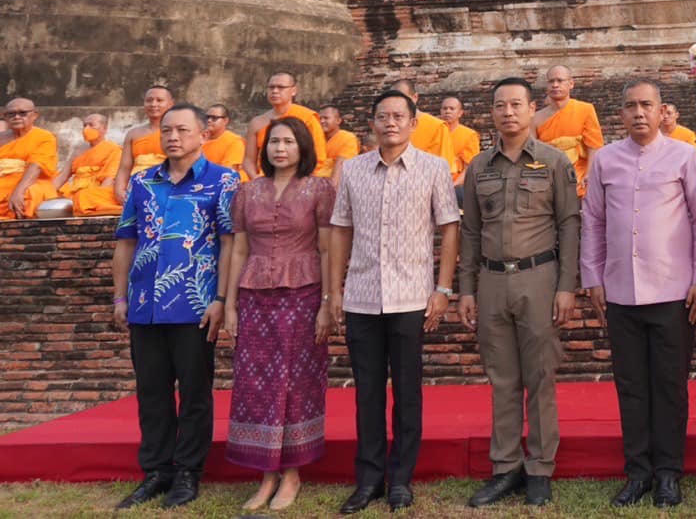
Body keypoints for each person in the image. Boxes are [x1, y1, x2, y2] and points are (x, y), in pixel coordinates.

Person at [581, 80, 696, 508]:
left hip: (673, 289)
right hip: (620, 291)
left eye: (646, 105)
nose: (638, 113)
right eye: (630, 107)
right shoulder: (604, 159)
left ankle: (668, 474)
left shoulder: (683, 154)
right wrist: (592, 277)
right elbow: (594, 222)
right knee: (632, 386)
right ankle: (638, 472)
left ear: (662, 112)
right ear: (619, 115)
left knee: (670, 385)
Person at [329, 89, 461, 514]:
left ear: (413, 122)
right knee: (366, 393)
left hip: (411, 298)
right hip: (362, 297)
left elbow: (450, 229)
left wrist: (442, 289)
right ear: (371, 123)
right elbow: (340, 231)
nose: (390, 122)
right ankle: (368, 479)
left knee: (407, 393)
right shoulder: (353, 170)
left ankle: (401, 479)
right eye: (382, 116)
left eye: (398, 116)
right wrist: (335, 290)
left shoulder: (433, 168)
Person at [458, 78, 581, 509]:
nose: (507, 112)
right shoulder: (478, 167)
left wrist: (567, 287)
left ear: (532, 110)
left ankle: (540, 469)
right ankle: (505, 467)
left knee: (540, 377)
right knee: (503, 379)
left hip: (539, 278)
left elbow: (569, 224)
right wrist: (465, 290)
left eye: (516, 105)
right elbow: (470, 231)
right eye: (499, 106)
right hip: (491, 282)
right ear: (491, 113)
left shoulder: (553, 162)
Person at [110, 103, 238, 510]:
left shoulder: (223, 181)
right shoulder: (144, 181)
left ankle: (187, 473)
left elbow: (232, 244)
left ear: (204, 134)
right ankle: (156, 472)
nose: (172, 137)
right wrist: (119, 297)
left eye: (182, 130)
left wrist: (221, 299)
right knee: (151, 392)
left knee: (195, 393)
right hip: (145, 304)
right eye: (166, 130)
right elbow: (126, 240)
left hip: (195, 304)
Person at [223, 116, 335, 511]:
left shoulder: (320, 189)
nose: (280, 149)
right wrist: (231, 305)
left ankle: (291, 474)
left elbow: (326, 249)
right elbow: (238, 250)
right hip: (255, 297)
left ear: (303, 147)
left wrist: (327, 304)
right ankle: (266, 473)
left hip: (303, 295)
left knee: (296, 383)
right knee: (256, 384)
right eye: (273, 142)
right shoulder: (247, 193)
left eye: (288, 142)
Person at [534, 66, 604, 198]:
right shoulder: (536, 118)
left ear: (571, 84)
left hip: (580, 178)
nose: (555, 85)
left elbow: (594, 146)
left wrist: (589, 174)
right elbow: (533, 152)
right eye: (551, 81)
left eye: (560, 81)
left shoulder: (585, 110)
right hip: (548, 179)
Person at [244, 73, 329, 178]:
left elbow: (318, 157)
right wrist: (257, 181)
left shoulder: (307, 118)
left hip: (299, 181)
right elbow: (248, 161)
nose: (275, 91)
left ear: (293, 91)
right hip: (265, 180)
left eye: (281, 87)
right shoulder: (256, 122)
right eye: (271, 87)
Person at [111, 85, 173, 204]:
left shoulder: (176, 132)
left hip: (166, 185)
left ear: (171, 104)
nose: (153, 104)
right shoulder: (133, 134)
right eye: (149, 100)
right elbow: (124, 169)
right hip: (136, 186)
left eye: (159, 100)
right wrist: (119, 192)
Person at [0, 97, 59, 219]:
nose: (16, 117)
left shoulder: (44, 137)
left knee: (30, 194)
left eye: (22, 113)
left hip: (30, 182)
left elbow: (36, 166)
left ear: (34, 115)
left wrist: (18, 191)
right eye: (11, 114)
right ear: (5, 117)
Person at [59, 114, 122, 216]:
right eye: (84, 125)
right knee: (51, 193)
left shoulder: (114, 149)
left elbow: (109, 180)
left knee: (83, 196)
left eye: (91, 125)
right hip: (76, 191)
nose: (86, 129)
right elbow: (62, 176)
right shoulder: (78, 151)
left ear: (104, 128)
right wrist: (50, 191)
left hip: (97, 192)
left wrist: (94, 196)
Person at [389, 80, 457, 174]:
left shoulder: (437, 127)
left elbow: (445, 168)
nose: (398, 103)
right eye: (393, 99)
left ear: (415, 97)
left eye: (403, 98)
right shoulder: (390, 127)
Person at [439, 97, 482, 183]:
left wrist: (453, 186)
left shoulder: (469, 135)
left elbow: (469, 168)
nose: (447, 111)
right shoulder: (435, 132)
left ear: (460, 113)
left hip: (457, 185)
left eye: (452, 109)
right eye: (444, 108)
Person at [201, 105, 245, 177]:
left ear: (225, 121)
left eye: (214, 118)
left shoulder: (234, 142)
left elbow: (227, 172)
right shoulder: (198, 138)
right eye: (207, 117)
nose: (209, 120)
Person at [320, 105, 361, 175]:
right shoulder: (315, 138)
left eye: (326, 118)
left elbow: (342, 166)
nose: (321, 121)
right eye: (319, 118)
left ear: (338, 121)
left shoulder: (347, 138)